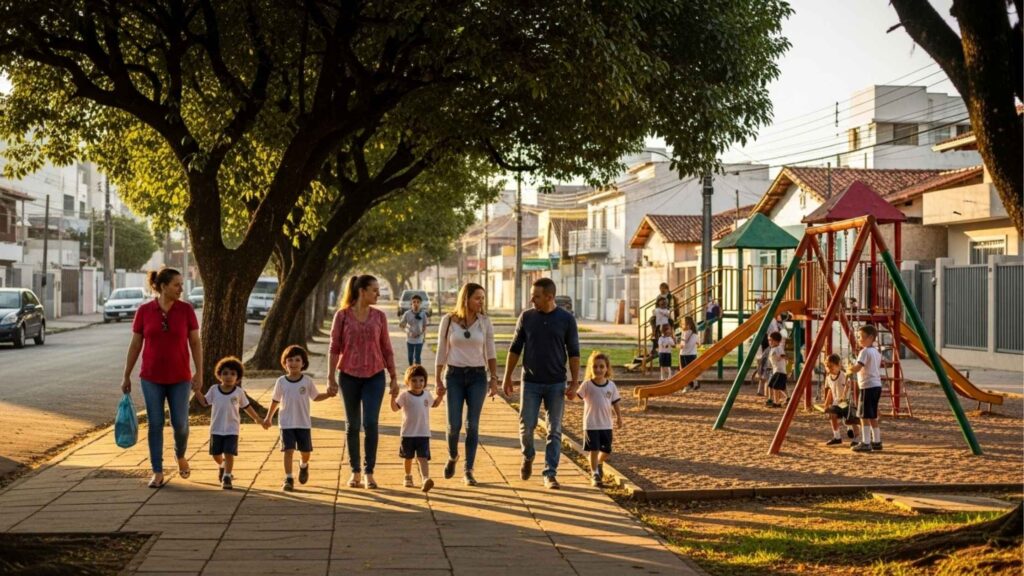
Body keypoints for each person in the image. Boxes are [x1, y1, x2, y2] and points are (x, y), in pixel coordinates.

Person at [120, 267, 203, 489]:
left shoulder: (186, 310)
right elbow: (136, 344)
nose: (181, 289)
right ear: (163, 286)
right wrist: (126, 374)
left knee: (180, 424)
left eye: (181, 285)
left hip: (180, 378)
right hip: (151, 378)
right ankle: (157, 470)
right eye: (177, 285)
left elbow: (195, 342)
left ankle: (180, 454)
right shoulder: (144, 311)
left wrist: (200, 372)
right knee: (155, 423)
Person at [502, 277, 580, 490]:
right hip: (531, 382)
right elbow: (515, 348)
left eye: (536, 296)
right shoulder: (526, 317)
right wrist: (507, 376)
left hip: (556, 383)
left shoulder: (566, 319)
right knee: (526, 427)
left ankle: (550, 473)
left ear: (549, 297)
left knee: (554, 430)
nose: (531, 299)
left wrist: (574, 382)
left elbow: (574, 353)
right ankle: (528, 456)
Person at [327, 275, 398, 489]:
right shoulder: (342, 316)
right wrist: (330, 377)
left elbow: (387, 348)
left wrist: (394, 377)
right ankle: (355, 471)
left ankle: (369, 472)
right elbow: (334, 348)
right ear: (362, 291)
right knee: (352, 425)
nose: (378, 294)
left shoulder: (379, 317)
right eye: (374, 290)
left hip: (375, 376)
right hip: (348, 376)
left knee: (370, 423)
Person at [435, 282, 499, 486]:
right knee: (454, 425)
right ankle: (453, 456)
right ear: (466, 298)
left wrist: (494, 379)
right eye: (477, 298)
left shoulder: (484, 322)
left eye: (482, 298)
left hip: (478, 377)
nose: (481, 302)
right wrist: (437, 378)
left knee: (472, 425)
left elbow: (490, 351)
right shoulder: (448, 320)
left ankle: (468, 470)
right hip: (453, 375)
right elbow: (441, 349)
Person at [263, 345, 333, 491]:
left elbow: (315, 397)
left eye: (297, 360)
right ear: (285, 363)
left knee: (305, 452)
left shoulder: (306, 381)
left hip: (303, 423)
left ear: (303, 363)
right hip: (286, 423)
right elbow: (275, 400)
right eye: (290, 360)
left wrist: (328, 394)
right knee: (288, 451)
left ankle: (303, 465)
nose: (293, 363)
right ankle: (288, 478)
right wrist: (268, 417)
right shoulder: (281, 381)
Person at [203, 356, 262, 489]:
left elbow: (247, 407)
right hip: (216, 429)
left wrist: (257, 418)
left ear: (238, 378)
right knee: (216, 454)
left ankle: (227, 477)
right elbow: (204, 402)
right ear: (219, 375)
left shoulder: (239, 392)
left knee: (229, 453)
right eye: (225, 373)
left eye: (233, 374)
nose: (229, 376)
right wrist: (196, 391)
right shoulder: (214, 390)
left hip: (231, 429)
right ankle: (222, 465)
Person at [391, 364, 444, 492]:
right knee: (408, 458)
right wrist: (392, 397)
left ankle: (425, 479)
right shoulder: (404, 395)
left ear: (425, 381)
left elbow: (435, 404)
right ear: (408, 381)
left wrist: (440, 396)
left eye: (421, 380)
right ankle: (408, 476)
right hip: (408, 434)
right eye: (414, 380)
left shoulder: (427, 395)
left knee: (423, 458)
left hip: (423, 433)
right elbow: (394, 408)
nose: (418, 383)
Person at [573, 351, 622, 488]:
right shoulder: (587, 385)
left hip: (606, 424)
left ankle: (599, 463)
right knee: (594, 450)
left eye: (601, 366)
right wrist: (568, 390)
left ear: (607, 368)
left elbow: (615, 402)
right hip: (591, 424)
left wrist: (619, 417)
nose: (598, 369)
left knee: (606, 451)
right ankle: (594, 473)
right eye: (595, 366)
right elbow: (577, 396)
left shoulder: (611, 386)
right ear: (590, 368)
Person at [850, 324, 883, 453]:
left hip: (867, 386)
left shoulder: (864, 352)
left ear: (870, 337)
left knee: (863, 416)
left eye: (861, 337)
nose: (859, 339)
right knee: (872, 415)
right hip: (876, 385)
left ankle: (866, 442)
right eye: (858, 337)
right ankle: (877, 441)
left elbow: (858, 367)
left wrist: (848, 369)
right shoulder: (876, 352)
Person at [822, 353, 859, 446]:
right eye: (827, 366)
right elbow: (830, 391)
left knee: (851, 419)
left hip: (846, 402)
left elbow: (847, 386)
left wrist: (843, 396)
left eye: (832, 366)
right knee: (832, 415)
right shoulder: (828, 378)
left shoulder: (842, 375)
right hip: (836, 402)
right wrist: (826, 403)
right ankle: (837, 436)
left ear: (838, 365)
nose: (829, 369)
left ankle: (857, 437)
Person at [399, 295, 429, 366]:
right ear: (411, 304)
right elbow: (401, 325)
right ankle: (411, 370)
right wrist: (408, 332)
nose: (416, 304)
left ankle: (418, 371)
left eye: (418, 302)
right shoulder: (407, 314)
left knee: (417, 357)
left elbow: (425, 326)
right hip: (410, 339)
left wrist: (423, 336)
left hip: (419, 339)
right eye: (414, 302)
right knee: (410, 357)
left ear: (420, 303)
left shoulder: (423, 314)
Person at [766, 331, 788, 408]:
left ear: (777, 341)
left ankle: (777, 402)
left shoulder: (778, 348)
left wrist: (779, 358)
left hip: (780, 371)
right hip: (776, 370)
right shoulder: (772, 349)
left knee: (776, 387)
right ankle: (787, 398)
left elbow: (784, 356)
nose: (770, 342)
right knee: (772, 385)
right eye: (769, 340)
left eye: (772, 340)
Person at [678, 316, 700, 391]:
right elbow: (698, 343)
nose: (681, 326)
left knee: (684, 371)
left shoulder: (685, 333)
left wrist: (677, 345)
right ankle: (695, 383)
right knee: (691, 370)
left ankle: (687, 386)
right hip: (693, 354)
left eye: (683, 324)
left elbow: (682, 345)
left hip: (684, 354)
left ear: (688, 325)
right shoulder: (695, 333)